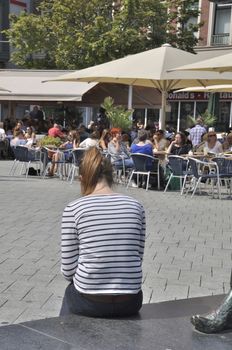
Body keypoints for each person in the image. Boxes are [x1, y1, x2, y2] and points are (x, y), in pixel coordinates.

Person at [60, 147, 145, 317]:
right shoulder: (136, 206)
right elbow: (138, 256)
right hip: (130, 301)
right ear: (111, 176)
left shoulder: (74, 209)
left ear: (82, 179)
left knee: (71, 291)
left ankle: (66, 338)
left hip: (90, 301)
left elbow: (68, 269)